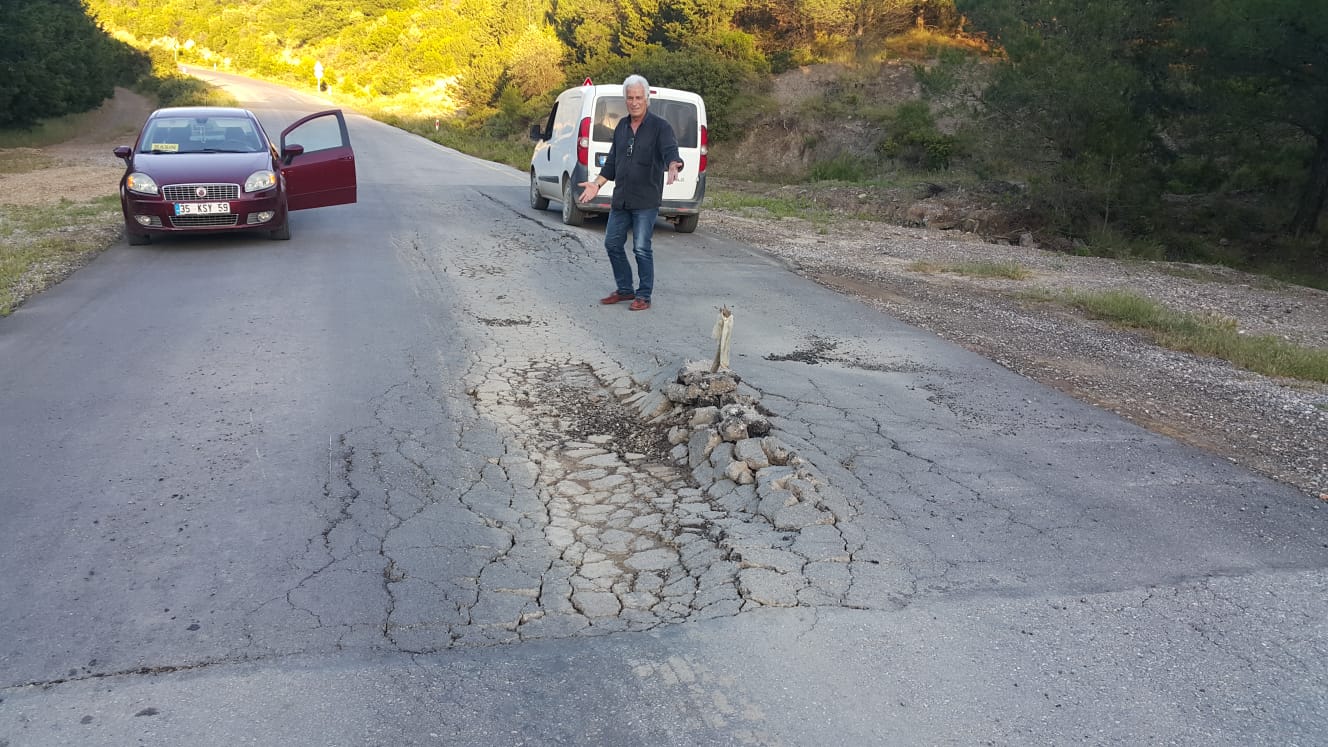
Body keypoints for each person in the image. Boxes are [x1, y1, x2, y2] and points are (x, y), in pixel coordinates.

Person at [578, 75, 683, 311]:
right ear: (625, 100)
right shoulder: (622, 127)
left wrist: (674, 164)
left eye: (638, 97)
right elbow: (613, 162)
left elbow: (670, 150)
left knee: (641, 247)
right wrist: (597, 184)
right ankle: (625, 289)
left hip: (646, 200)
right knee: (612, 243)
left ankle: (643, 295)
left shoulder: (660, 127)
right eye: (630, 98)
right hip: (622, 198)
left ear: (646, 98)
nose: (634, 102)